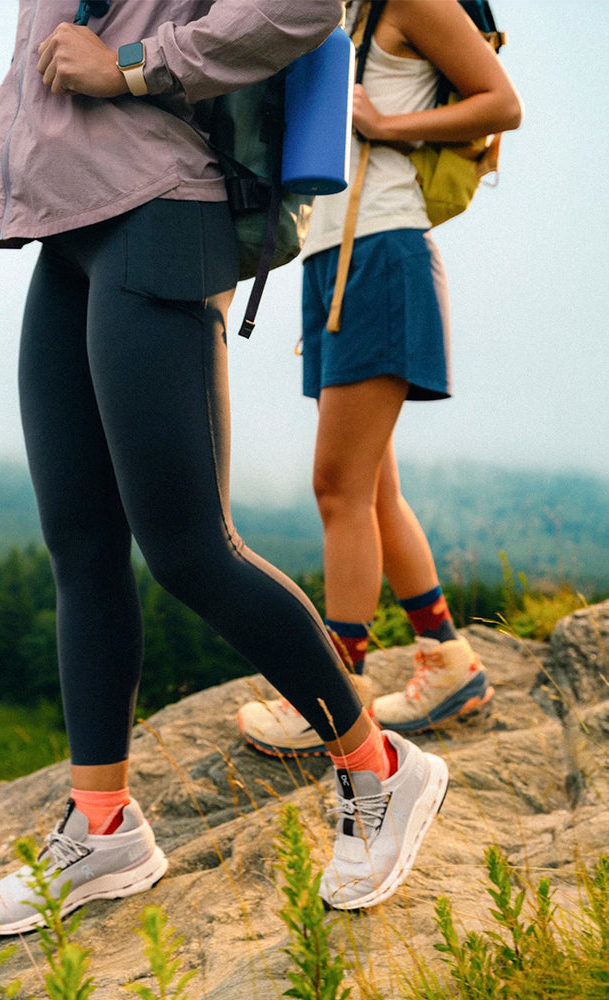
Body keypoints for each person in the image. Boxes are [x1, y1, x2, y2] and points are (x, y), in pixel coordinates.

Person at [0, 0, 449, 929]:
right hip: (74, 222)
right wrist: (25, 112)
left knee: (190, 547)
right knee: (81, 541)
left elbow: (302, 6)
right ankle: (104, 824)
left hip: (161, 208)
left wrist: (133, 66)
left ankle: (381, 770)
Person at [238, 0, 522, 756]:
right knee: (372, 491)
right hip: (333, 259)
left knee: (337, 487)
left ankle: (333, 697)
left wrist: (387, 126)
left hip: (383, 251)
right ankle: (447, 660)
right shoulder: (345, 13)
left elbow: (502, 103)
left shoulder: (411, 1)